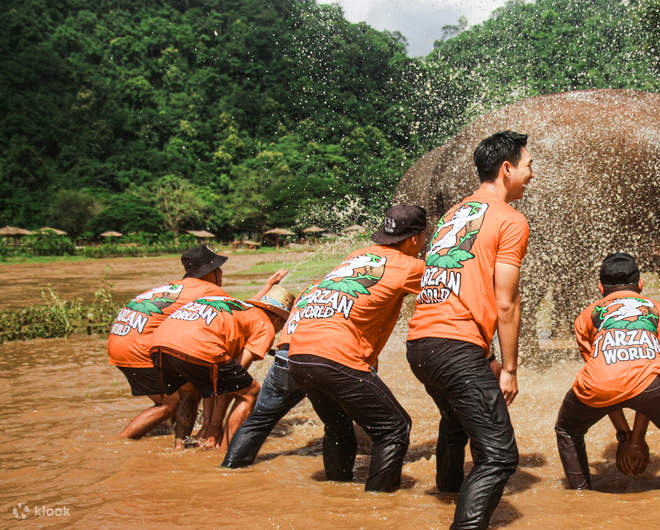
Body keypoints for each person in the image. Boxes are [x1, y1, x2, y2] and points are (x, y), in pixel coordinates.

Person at [223, 206, 426, 488]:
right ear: (415, 239)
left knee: (338, 428)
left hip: (298, 355)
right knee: (394, 428)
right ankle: (377, 509)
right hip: (333, 357)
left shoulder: (356, 257)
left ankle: (336, 492)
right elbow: (452, 282)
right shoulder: (409, 266)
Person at [406, 130, 533, 529]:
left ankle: (447, 492)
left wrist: (487, 357)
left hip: (420, 344)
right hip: (455, 345)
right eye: (528, 166)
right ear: (507, 168)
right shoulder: (511, 220)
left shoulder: (452, 215)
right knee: (499, 456)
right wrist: (509, 369)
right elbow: (506, 301)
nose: (532, 174)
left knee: (456, 420)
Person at [554, 252, 660, 490]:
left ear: (600, 286)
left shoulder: (586, 315)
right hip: (653, 387)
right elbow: (650, 375)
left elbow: (607, 375)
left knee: (568, 430)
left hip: (598, 386)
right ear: (640, 285)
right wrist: (635, 437)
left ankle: (579, 493)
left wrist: (627, 436)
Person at [108, 244, 230, 447]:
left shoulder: (173, 287)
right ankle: (118, 443)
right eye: (218, 269)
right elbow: (239, 314)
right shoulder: (210, 291)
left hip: (119, 342)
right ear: (210, 273)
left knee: (180, 393)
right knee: (171, 403)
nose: (221, 273)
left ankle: (180, 442)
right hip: (139, 348)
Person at [148, 280, 294, 448]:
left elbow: (216, 381)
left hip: (159, 344)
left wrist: (208, 425)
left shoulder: (236, 307)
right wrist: (214, 426)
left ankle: (179, 446)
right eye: (282, 325)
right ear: (278, 319)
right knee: (250, 392)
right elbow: (232, 381)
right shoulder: (266, 325)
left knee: (190, 392)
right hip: (196, 345)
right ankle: (226, 451)